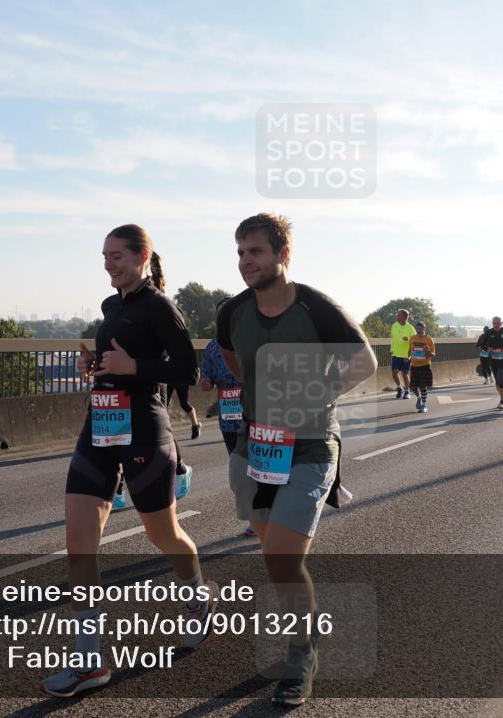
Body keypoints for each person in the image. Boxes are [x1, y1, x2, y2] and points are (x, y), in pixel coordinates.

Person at [42, 224, 214, 698]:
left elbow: (188, 370)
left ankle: (197, 597)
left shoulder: (159, 306)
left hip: (143, 428)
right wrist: (94, 367)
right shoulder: (111, 307)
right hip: (100, 426)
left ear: (142, 257)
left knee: (164, 534)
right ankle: (90, 659)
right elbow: (114, 362)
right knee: (79, 542)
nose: (107, 263)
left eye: (116, 255)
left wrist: (133, 368)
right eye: (103, 255)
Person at [216, 213, 377, 706]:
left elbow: (366, 363)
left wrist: (313, 393)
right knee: (276, 560)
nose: (246, 262)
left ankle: (300, 654)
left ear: (283, 255)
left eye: (256, 252)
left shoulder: (318, 308)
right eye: (241, 252)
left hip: (309, 444)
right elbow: (233, 359)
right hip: (256, 444)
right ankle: (304, 630)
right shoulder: (232, 312)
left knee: (282, 556)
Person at [200, 318, 255, 537]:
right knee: (239, 469)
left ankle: (260, 518)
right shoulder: (212, 347)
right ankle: (255, 516)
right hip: (228, 419)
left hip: (252, 413)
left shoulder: (250, 342)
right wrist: (206, 382)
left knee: (257, 465)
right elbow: (207, 378)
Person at [481, 316, 503, 410]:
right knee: (497, 381)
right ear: (492, 323)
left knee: (501, 378)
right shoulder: (489, 332)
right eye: (494, 323)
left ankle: (501, 401)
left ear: (501, 323)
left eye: (497, 323)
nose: (496, 325)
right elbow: (482, 344)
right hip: (493, 359)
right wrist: (487, 348)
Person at [408, 321, 435, 413]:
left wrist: (428, 352)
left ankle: (423, 404)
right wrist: (407, 358)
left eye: (421, 328)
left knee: (423, 387)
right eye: (417, 328)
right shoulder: (412, 338)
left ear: (424, 329)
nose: (419, 330)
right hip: (414, 366)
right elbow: (409, 351)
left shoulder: (429, 339)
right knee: (412, 387)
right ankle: (419, 397)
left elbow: (433, 355)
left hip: (424, 365)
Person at [390, 309, 413, 400]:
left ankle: (407, 391)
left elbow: (414, 342)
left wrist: (407, 340)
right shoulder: (394, 326)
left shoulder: (410, 328)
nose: (397, 316)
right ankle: (400, 388)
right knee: (394, 373)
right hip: (395, 354)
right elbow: (393, 339)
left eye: (399, 315)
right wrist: (391, 349)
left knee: (404, 374)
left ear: (404, 317)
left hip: (405, 355)